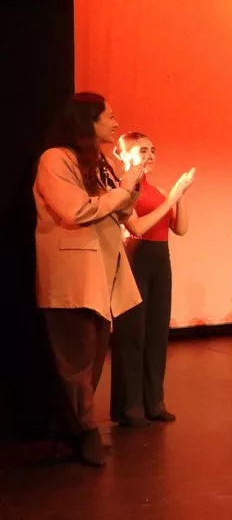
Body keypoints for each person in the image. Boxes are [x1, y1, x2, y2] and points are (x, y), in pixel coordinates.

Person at [34, 92, 142, 466]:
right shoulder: (56, 159)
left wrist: (130, 186)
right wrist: (123, 190)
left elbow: (120, 211)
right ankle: (83, 432)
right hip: (73, 274)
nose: (116, 123)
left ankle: (75, 432)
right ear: (88, 121)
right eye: (109, 117)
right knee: (75, 360)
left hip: (102, 271)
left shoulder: (97, 161)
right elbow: (76, 210)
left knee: (93, 356)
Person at [110, 132, 194, 427]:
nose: (149, 155)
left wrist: (179, 197)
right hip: (135, 258)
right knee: (132, 334)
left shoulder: (158, 190)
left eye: (152, 150)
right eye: (142, 150)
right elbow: (137, 228)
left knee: (157, 335)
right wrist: (172, 198)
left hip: (160, 260)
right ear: (123, 156)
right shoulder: (121, 189)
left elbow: (180, 228)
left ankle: (154, 403)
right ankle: (129, 408)